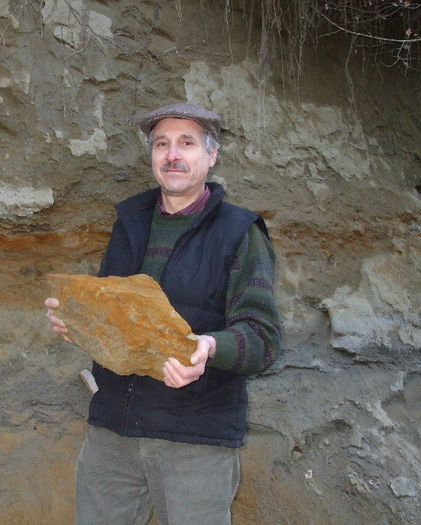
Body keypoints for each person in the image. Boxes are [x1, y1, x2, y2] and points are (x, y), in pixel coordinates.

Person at [45, 102, 282, 525]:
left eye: (186, 143)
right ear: (152, 156)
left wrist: (207, 347)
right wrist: (77, 323)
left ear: (211, 155)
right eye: (161, 144)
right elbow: (111, 312)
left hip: (195, 439)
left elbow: (262, 340)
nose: (172, 154)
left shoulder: (240, 233)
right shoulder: (129, 223)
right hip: (112, 433)